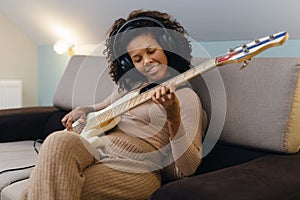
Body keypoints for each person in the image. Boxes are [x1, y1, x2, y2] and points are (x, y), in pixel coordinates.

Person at [21, 9, 207, 200]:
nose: (147, 61)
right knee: (57, 140)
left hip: (137, 168)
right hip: (96, 148)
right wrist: (82, 110)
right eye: (137, 59)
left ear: (168, 47)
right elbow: (100, 107)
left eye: (151, 51)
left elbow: (187, 169)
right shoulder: (131, 87)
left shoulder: (186, 98)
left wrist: (173, 116)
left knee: (37, 188)